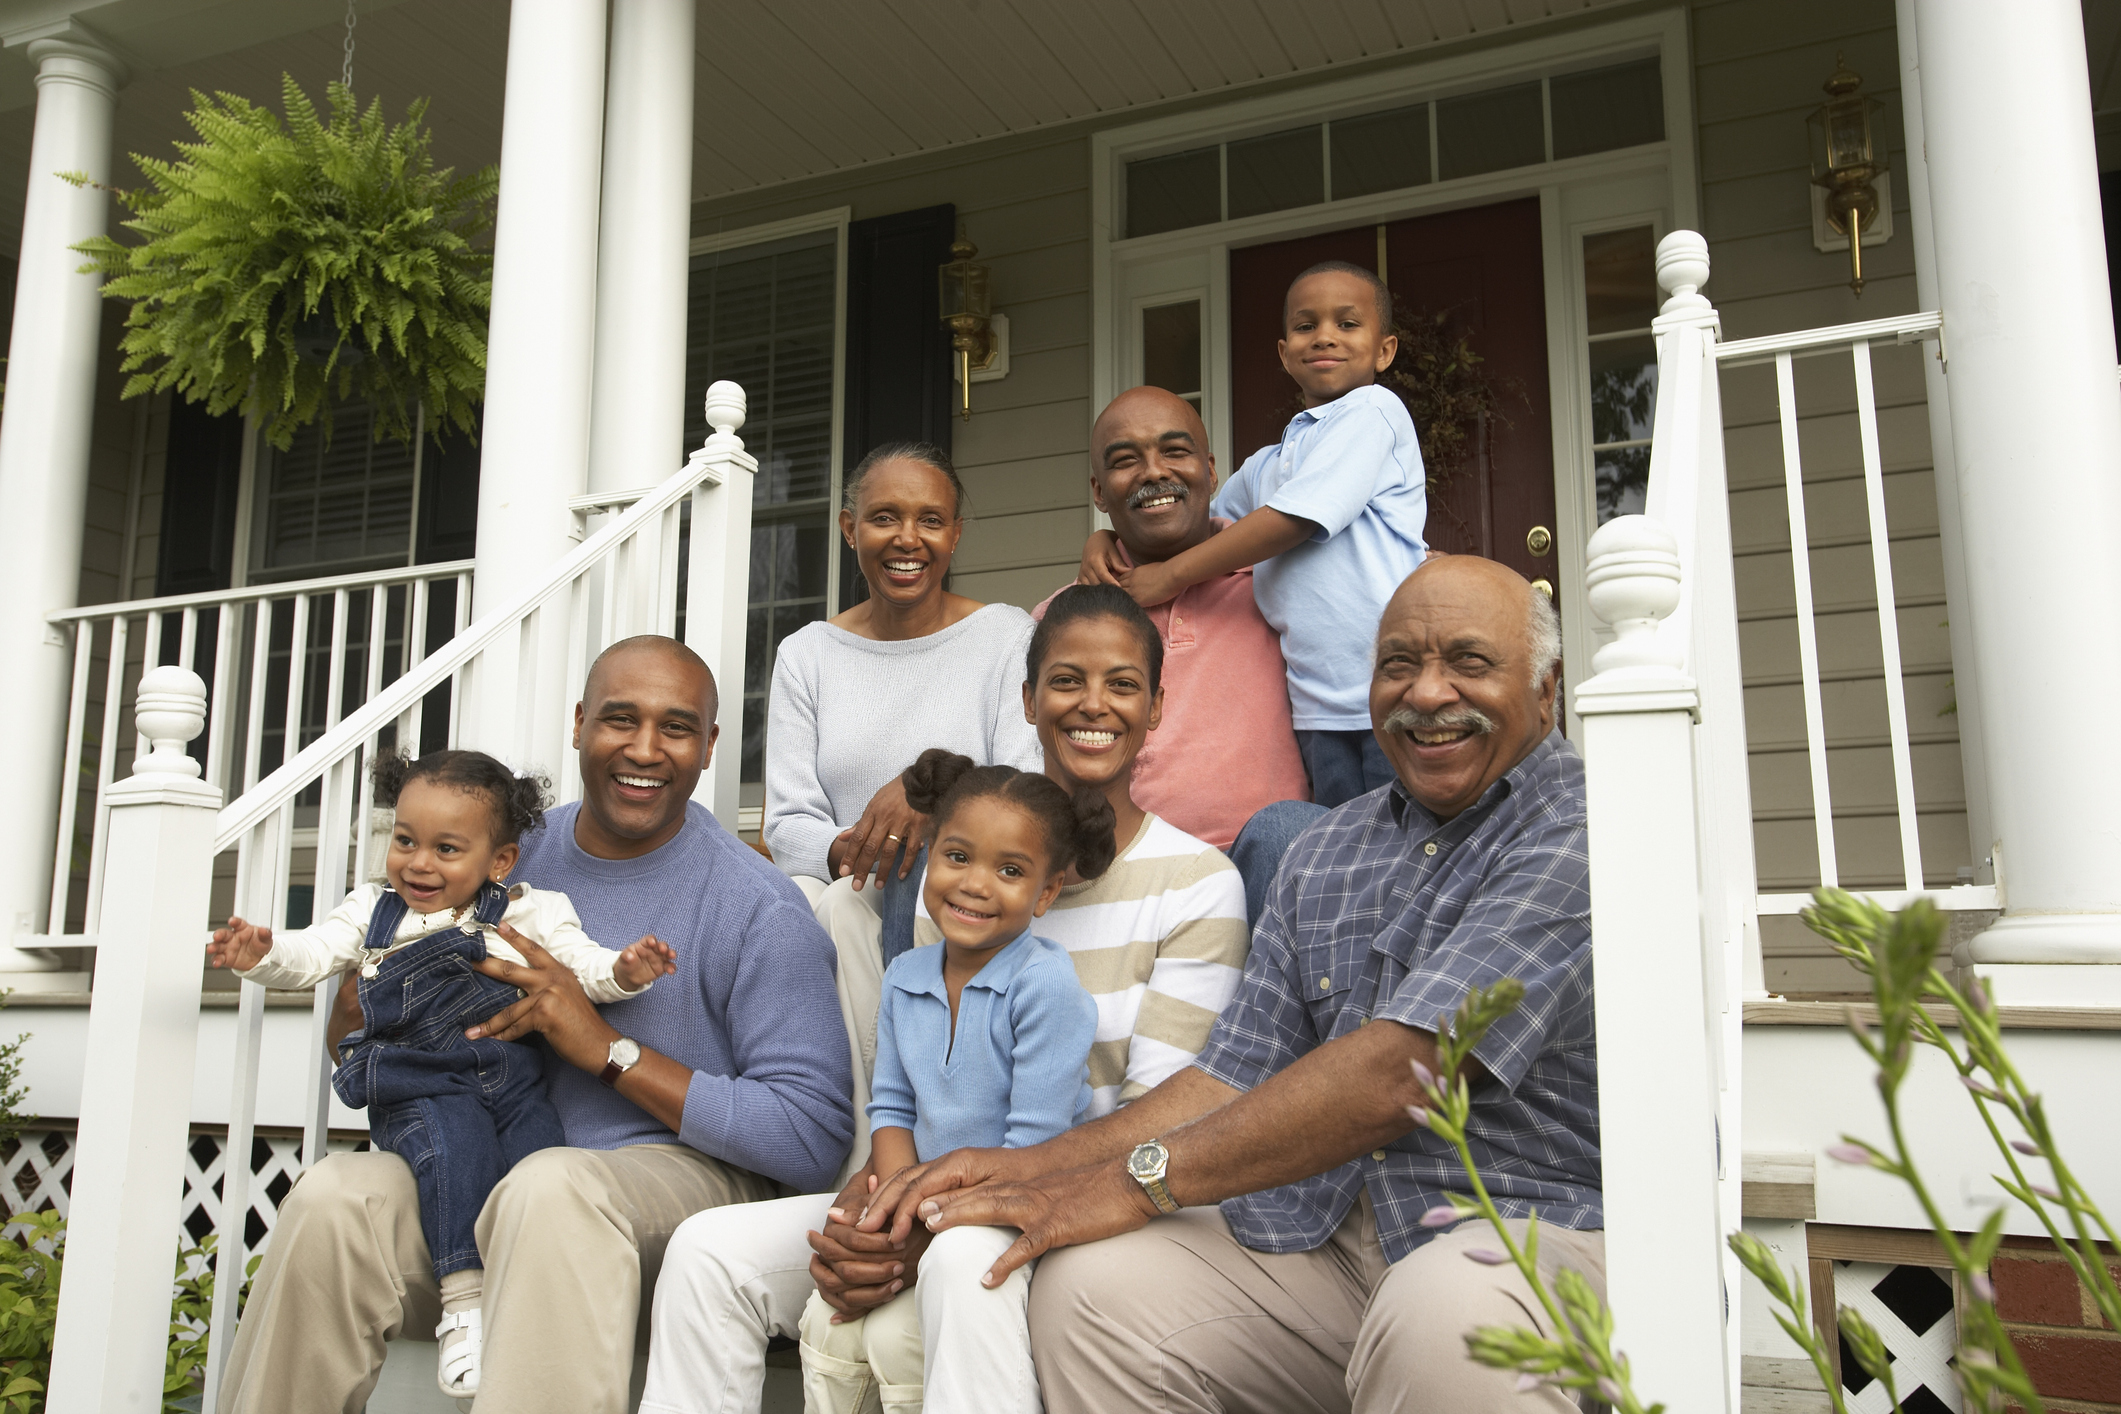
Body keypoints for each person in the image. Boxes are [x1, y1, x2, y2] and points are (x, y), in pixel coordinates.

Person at [863, 556, 1601, 1414]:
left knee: (1445, 1313)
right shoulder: (1328, 850)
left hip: (1515, 1228)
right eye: (1397, 663)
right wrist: (1014, 1171)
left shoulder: (1579, 829)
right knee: (1090, 1292)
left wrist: (1133, 1179)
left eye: (1469, 662)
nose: (1427, 693)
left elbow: (1406, 1070)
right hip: (1317, 1237)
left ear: (1546, 691)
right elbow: (1227, 1076)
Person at [639, 586, 1248, 1414]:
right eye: (1066, 680)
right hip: (930, 1190)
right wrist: (880, 1204)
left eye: (1123, 685)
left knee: (963, 1259)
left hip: (1086, 1209)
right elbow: (911, 1087)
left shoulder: (1196, 884)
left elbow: (1164, 1114)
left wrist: (931, 1216)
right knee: (710, 1251)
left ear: (1155, 708)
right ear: (1027, 700)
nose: (1093, 705)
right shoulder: (957, 886)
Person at [215, 636, 853, 1414]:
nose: (644, 748)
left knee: (551, 1190)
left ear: (709, 746)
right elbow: (360, 1035)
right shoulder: (485, 849)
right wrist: (360, 1009)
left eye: (676, 727)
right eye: (620, 719)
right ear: (580, 724)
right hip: (489, 1166)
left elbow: (811, 1138)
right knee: (336, 1195)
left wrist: (605, 1048)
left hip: (665, 1185)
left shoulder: (756, 906)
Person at [207, 749, 679, 1397]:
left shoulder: (528, 911)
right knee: (452, 1146)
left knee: (537, 1159)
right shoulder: (373, 912)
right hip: (418, 1079)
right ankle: (463, 1304)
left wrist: (624, 972)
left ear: (500, 861)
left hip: (508, 1078)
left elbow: (579, 968)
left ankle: (525, 1305)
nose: (419, 863)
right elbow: (310, 954)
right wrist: (261, 954)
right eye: (405, 841)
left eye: (447, 849)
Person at [798, 749, 1104, 1414]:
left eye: (1011, 870)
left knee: (899, 1332)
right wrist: (888, 1219)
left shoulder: (1044, 985)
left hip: (1016, 1206)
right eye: (957, 856)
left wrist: (921, 1225)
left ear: (1046, 894)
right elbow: (892, 1107)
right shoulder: (907, 974)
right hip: (930, 1205)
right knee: (828, 1321)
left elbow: (1033, 1149)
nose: (975, 884)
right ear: (929, 854)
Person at [767, 442, 1042, 1170]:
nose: (907, 540)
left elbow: (1025, 780)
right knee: (816, 903)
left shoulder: (1005, 636)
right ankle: (864, 1145)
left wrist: (929, 794)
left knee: (869, 895)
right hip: (847, 890)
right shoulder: (808, 654)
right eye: (885, 518)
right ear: (848, 528)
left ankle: (874, 1158)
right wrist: (859, 850)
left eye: (930, 521)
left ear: (954, 535)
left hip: (953, 893)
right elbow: (788, 824)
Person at [1080, 262, 1428, 807]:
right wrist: (1104, 539)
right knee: (1347, 854)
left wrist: (1170, 577)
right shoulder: (1272, 463)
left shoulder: (1375, 414)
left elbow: (1296, 520)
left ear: (1385, 351)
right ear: (1285, 353)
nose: (1327, 337)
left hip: (1393, 688)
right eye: (1307, 326)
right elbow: (1187, 518)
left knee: (1411, 848)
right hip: (1316, 708)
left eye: (1348, 323)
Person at [1042, 388, 1307, 852]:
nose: (1155, 472)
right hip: (1118, 872)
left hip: (1262, 869)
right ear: (1099, 491)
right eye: (1126, 460)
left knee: (1288, 827)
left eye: (1175, 451)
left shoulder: (1280, 583)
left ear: (1209, 469)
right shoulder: (1063, 619)